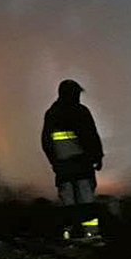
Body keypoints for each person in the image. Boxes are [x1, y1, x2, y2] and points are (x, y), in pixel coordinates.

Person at [41, 79, 104, 238]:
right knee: (85, 197)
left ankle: (68, 232)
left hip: (63, 165)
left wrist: (54, 162)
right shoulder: (81, 112)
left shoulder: (52, 113)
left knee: (67, 198)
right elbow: (91, 136)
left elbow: (46, 142)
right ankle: (90, 233)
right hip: (82, 164)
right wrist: (98, 157)